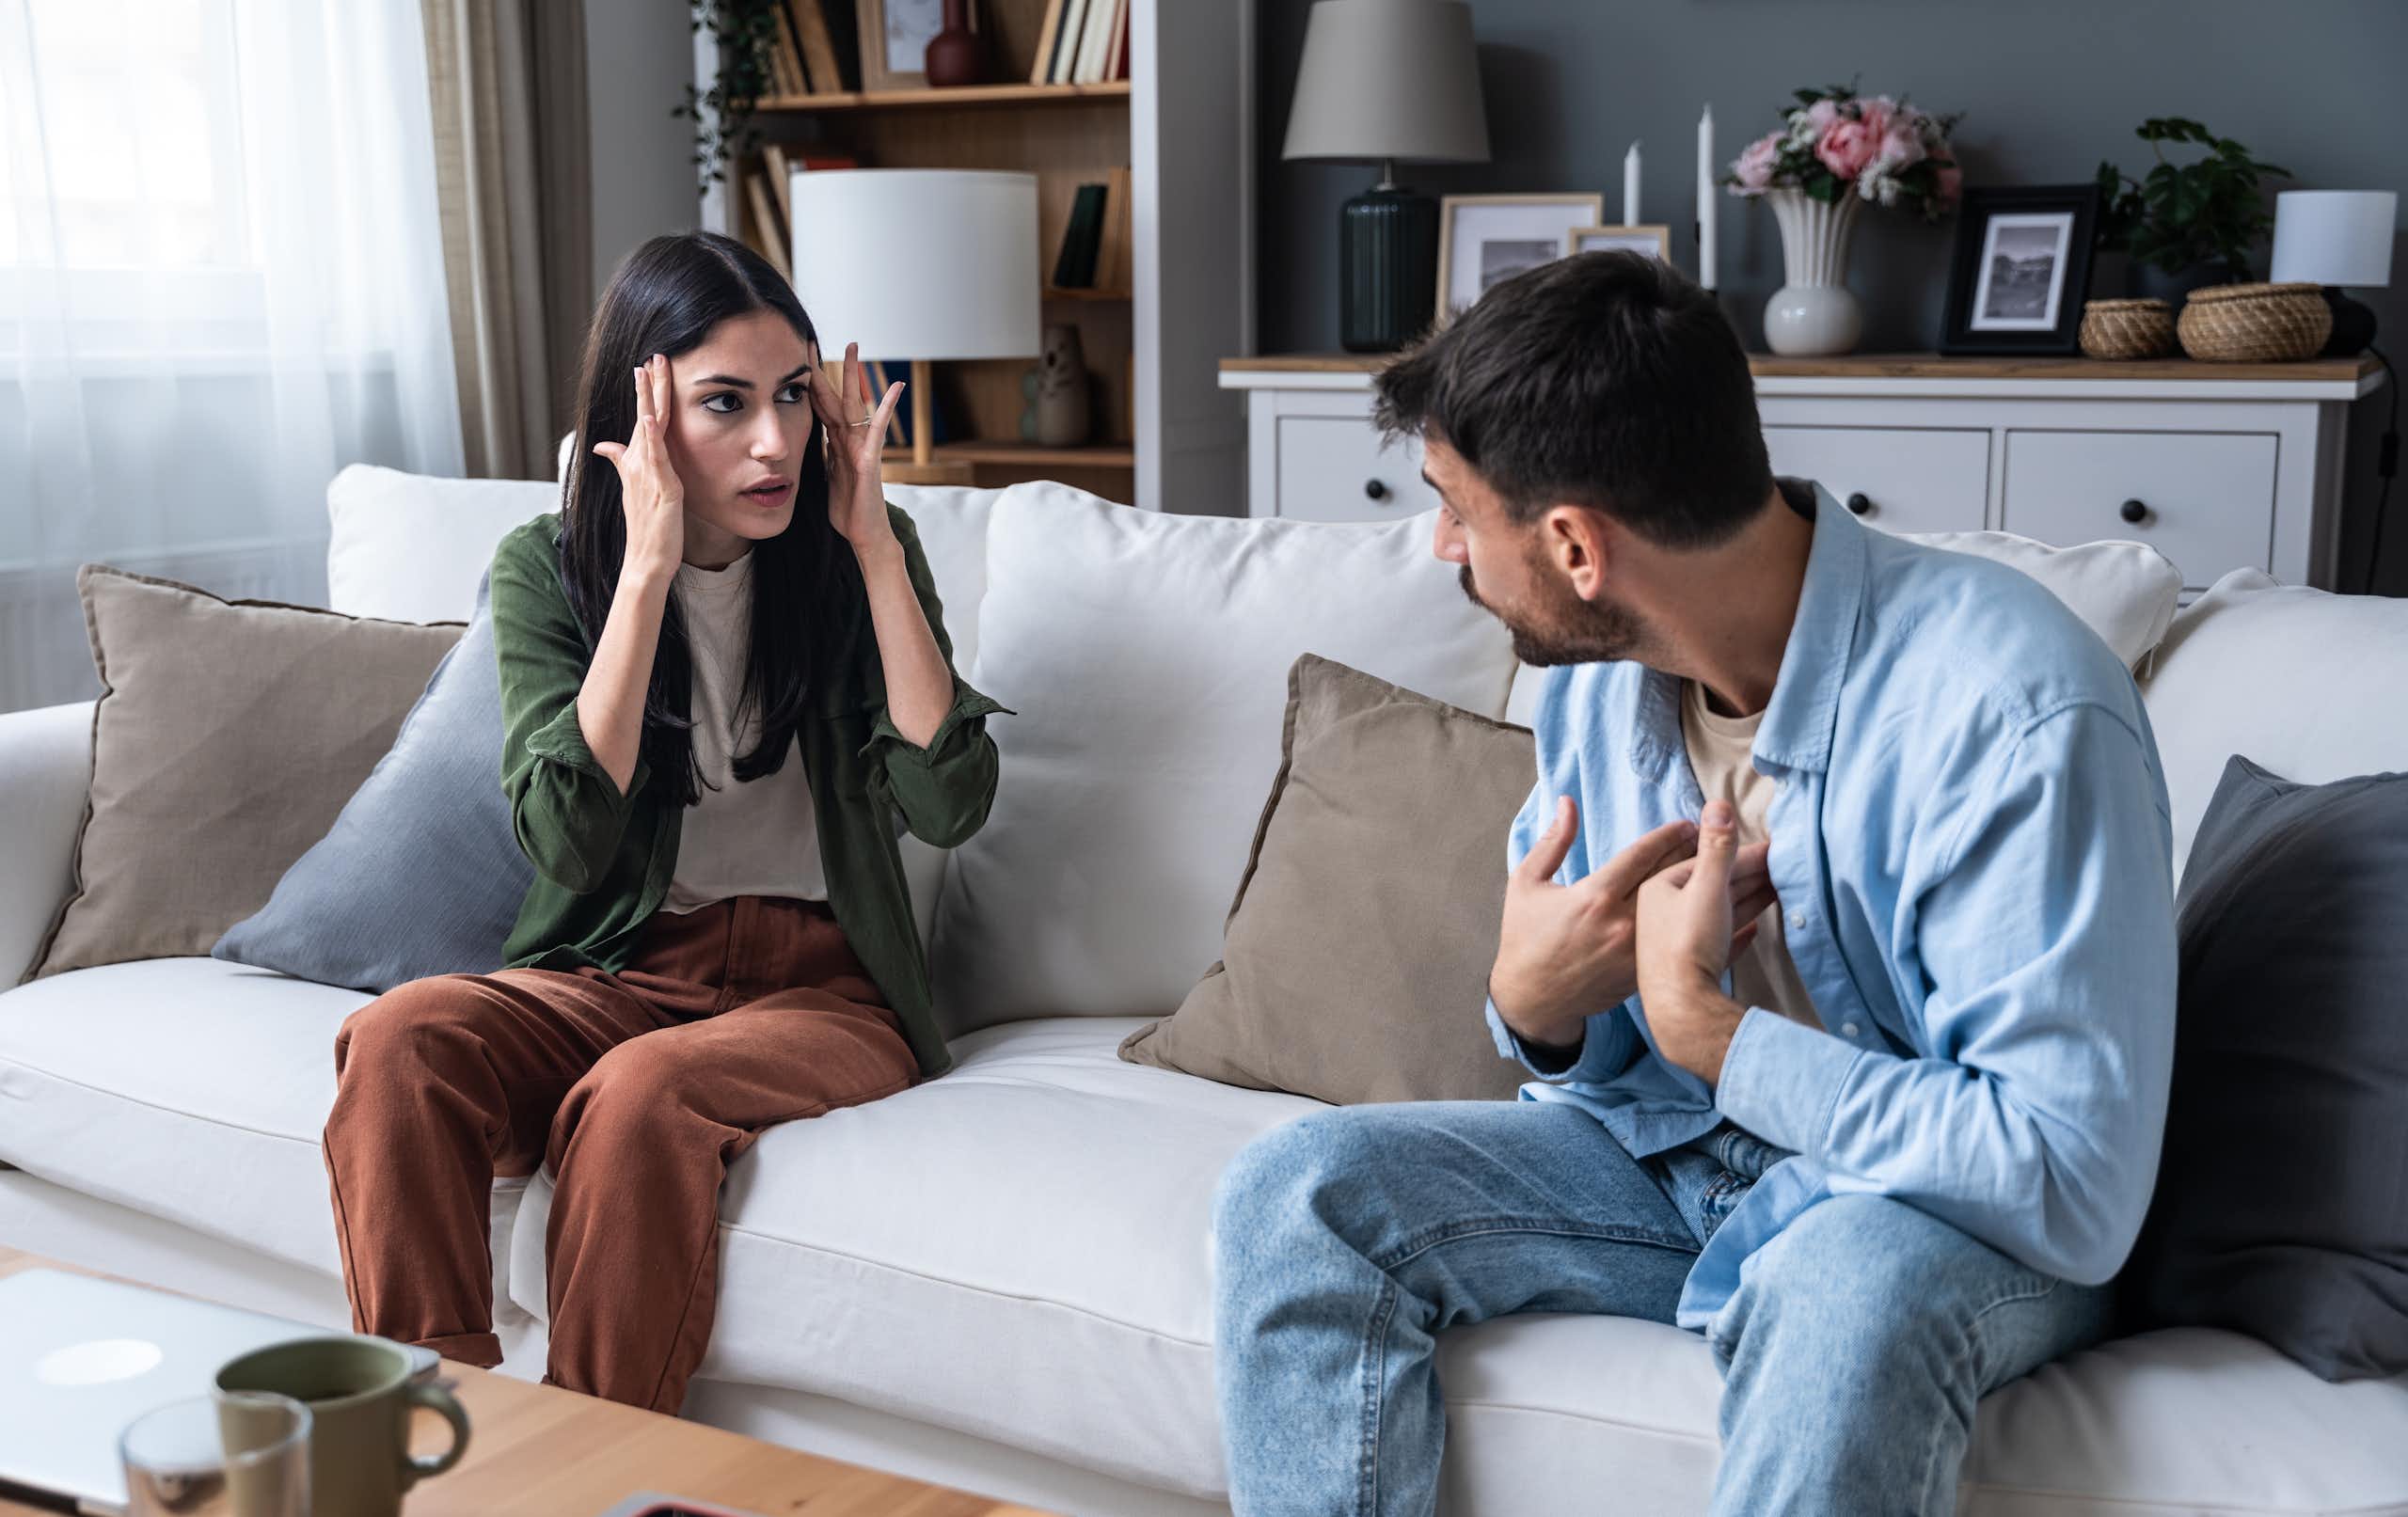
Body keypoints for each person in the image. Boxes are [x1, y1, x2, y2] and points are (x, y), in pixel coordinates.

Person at [1210, 250, 2178, 1514]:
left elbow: (2066, 1179)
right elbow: (1602, 1059)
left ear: (1573, 545)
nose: (1439, 540)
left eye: (1454, 503)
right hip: (1681, 1162)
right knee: (1298, 1192)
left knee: (1845, 1288)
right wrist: (1543, 1009)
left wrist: (1717, 1036)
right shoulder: (1597, 688)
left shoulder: (2014, 711)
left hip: (1946, 1209)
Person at [321, 230, 1004, 1414]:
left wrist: (875, 548)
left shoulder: (853, 563)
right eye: (725, 403)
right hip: (622, 966)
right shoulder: (552, 568)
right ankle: (435, 1441)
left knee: (639, 1096)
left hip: (823, 992)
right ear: (644, 414)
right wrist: (641, 577)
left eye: (795, 397)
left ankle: (600, 1462)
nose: (776, 440)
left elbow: (949, 803)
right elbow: (571, 845)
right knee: (398, 1041)